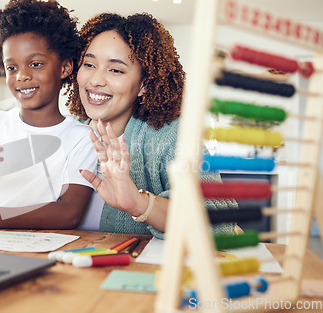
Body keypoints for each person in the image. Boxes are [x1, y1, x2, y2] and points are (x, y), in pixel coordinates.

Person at [66, 12, 237, 238]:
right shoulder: (70, 132)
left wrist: (138, 203)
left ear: (144, 85)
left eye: (115, 69)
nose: (96, 80)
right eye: (89, 64)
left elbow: (219, 221)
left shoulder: (172, 135)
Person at [0, 0, 98, 229]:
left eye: (35, 64)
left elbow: (69, 214)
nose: (22, 76)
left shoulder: (81, 138)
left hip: (38, 248)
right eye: (11, 67)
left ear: (65, 67)